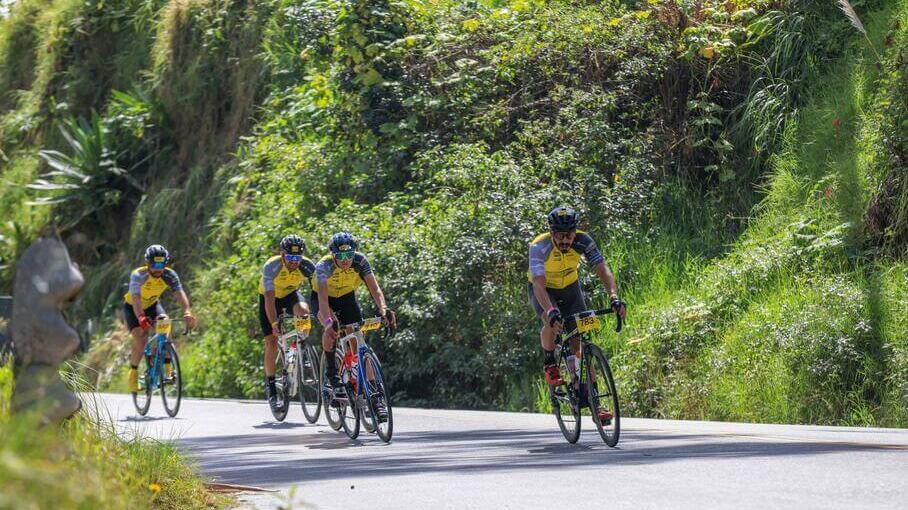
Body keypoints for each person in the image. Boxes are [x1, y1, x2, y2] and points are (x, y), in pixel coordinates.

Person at [527, 206, 626, 421]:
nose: (565, 240)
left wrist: (614, 297)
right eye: (560, 236)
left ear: (575, 232)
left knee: (579, 342)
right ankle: (549, 361)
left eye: (569, 235)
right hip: (544, 290)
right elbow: (538, 284)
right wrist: (551, 311)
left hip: (570, 288)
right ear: (551, 233)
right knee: (551, 322)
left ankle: (594, 402)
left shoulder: (583, 241)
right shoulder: (539, 246)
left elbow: (602, 269)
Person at [312, 232, 395, 420]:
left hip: (347, 298)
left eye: (349, 255)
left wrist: (384, 310)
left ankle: (375, 398)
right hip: (325, 300)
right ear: (333, 255)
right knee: (331, 331)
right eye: (341, 256)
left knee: (359, 343)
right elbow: (323, 303)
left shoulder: (360, 261)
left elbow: (375, 290)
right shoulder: (323, 267)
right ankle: (332, 373)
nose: (346, 260)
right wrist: (328, 324)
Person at [124, 244, 196, 392]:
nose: (158, 268)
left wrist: (187, 312)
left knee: (165, 323)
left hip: (152, 305)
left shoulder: (169, 275)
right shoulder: (138, 275)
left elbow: (179, 294)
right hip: (133, 308)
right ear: (147, 263)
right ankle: (133, 372)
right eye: (155, 264)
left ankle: (168, 369)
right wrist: (141, 317)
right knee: (141, 340)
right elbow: (136, 299)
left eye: (162, 264)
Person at [258, 234, 316, 410]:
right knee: (272, 342)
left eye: (297, 257)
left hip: (291, 295)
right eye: (290, 257)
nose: (294, 261)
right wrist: (275, 324)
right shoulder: (272, 266)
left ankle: (301, 346)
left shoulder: (307, 266)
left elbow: (319, 290)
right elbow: (269, 300)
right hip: (270, 299)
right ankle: (270, 385)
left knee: (304, 312)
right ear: (282, 255)